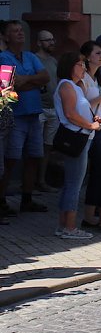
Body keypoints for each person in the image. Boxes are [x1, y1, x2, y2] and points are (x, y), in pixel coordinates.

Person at [0, 20, 50, 215]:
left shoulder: (30, 56)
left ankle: (27, 199)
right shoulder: (3, 57)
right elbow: (8, 88)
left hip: (33, 114)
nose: (20, 33)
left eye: (21, 30)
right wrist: (33, 82)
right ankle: (2, 199)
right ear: (5, 36)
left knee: (34, 157)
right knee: (11, 159)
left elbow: (45, 77)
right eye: (15, 31)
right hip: (15, 116)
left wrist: (26, 80)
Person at [53, 52, 101, 239]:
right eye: (80, 64)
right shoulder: (66, 85)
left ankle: (63, 225)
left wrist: (92, 118)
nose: (83, 68)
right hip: (76, 138)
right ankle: (69, 227)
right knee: (74, 184)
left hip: (83, 137)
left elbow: (79, 111)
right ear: (70, 66)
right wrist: (90, 125)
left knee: (72, 183)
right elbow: (70, 114)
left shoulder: (75, 87)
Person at [78, 41, 101, 232]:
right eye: (97, 53)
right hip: (91, 130)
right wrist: (99, 99)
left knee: (100, 174)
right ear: (87, 57)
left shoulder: (98, 77)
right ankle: (93, 216)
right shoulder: (83, 78)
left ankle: (99, 217)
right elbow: (81, 106)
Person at [34, 30, 59, 192]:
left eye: (52, 39)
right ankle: (30, 182)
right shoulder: (33, 59)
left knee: (48, 147)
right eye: (47, 40)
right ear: (38, 42)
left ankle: (41, 181)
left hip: (53, 108)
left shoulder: (53, 61)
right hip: (39, 108)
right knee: (34, 146)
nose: (51, 42)